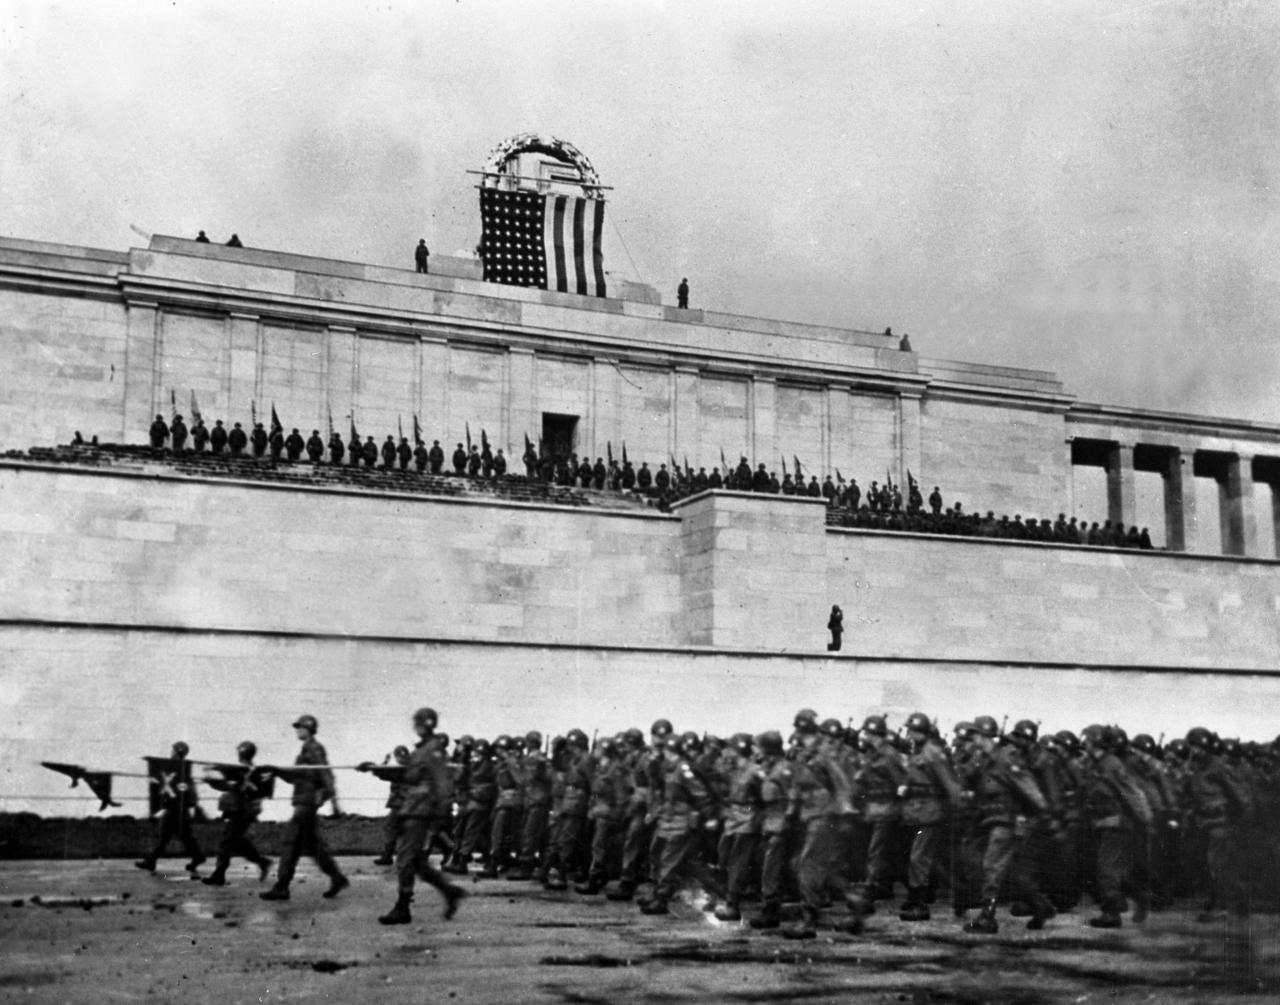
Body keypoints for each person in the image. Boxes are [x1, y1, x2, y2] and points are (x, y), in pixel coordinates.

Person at [362, 707, 466, 925]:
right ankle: (449, 891)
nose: (415, 726)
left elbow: (443, 784)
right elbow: (406, 775)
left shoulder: (434, 750)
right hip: (412, 808)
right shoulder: (421, 750)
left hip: (421, 811)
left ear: (425, 724)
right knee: (417, 862)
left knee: (406, 859)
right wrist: (376, 769)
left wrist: (439, 814)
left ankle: (403, 907)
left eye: (418, 722)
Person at [260, 714, 349, 902]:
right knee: (312, 846)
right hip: (303, 802)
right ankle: (337, 877)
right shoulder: (305, 751)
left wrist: (334, 802)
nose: (297, 730)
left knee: (291, 842)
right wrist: (276, 770)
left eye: (300, 727)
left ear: (309, 729)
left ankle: (282, 886)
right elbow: (296, 777)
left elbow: (326, 774)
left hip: (306, 804)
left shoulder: (315, 749)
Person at [201, 741, 273, 886]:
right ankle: (262, 862)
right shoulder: (252, 771)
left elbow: (231, 787)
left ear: (241, 753)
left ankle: (219, 874)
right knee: (236, 841)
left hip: (240, 810)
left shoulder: (242, 771)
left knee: (227, 840)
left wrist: (212, 782)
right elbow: (233, 786)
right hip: (245, 810)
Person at [135, 741, 205, 876]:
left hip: (176, 809)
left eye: (173, 750)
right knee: (183, 837)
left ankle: (151, 861)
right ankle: (197, 857)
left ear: (178, 751)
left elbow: (188, 790)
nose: (171, 753)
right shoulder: (180, 771)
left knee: (166, 835)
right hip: (179, 809)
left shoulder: (181, 771)